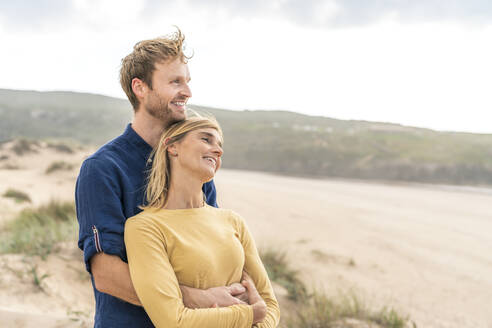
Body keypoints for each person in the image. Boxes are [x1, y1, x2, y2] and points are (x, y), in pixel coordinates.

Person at [76, 28, 250, 328]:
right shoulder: (103, 169)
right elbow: (106, 275)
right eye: (175, 82)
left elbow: (216, 248)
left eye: (187, 82)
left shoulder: (191, 164)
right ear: (140, 88)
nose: (187, 92)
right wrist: (197, 298)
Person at [124, 115, 280, 327]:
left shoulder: (233, 222)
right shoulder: (144, 228)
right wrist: (250, 315)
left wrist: (259, 318)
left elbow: (270, 304)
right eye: (206, 139)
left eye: (219, 145)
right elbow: (173, 321)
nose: (218, 150)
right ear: (172, 147)